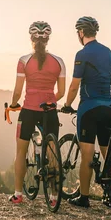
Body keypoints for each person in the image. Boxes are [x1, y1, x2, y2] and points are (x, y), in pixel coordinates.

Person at [6, 21, 67, 205]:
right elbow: (61, 92)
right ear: (48, 39)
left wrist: (13, 105)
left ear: (31, 38)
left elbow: (17, 92)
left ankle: (18, 194)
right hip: (50, 110)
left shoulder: (24, 61)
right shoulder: (59, 62)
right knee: (52, 151)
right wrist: (50, 100)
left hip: (29, 110)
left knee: (21, 151)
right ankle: (54, 197)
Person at [62, 16, 111, 208]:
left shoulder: (82, 54)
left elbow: (74, 85)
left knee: (87, 154)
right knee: (108, 153)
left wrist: (67, 104)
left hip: (89, 109)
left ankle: (84, 197)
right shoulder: (109, 53)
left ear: (81, 32)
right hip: (107, 107)